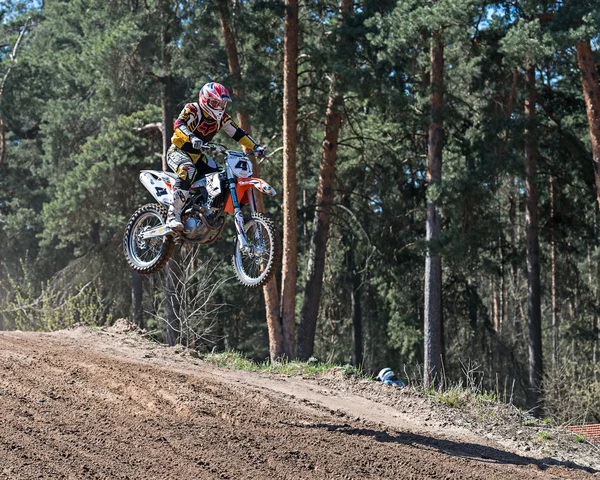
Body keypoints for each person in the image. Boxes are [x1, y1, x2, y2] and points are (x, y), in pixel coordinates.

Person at [166, 82, 265, 231]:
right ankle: (173, 216)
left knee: (223, 177)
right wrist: (192, 137)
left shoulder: (222, 118)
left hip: (198, 157)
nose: (219, 107)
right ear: (204, 99)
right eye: (214, 103)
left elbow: (238, 133)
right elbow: (179, 124)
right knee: (188, 170)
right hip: (178, 151)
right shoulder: (193, 109)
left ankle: (209, 215)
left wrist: (256, 146)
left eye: (222, 104)